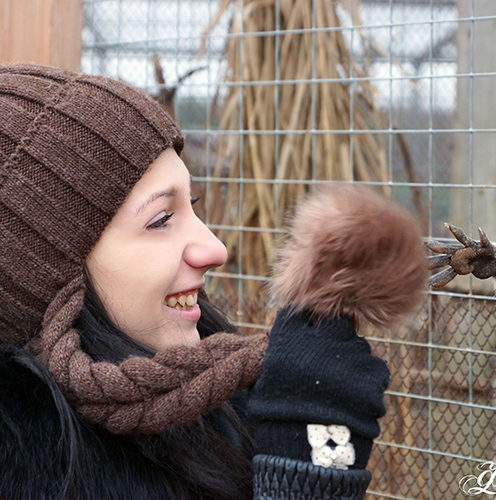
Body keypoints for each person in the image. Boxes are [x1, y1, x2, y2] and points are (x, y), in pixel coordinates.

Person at [0, 63, 391, 500]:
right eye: (161, 219)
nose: (215, 249)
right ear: (40, 275)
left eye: (194, 203)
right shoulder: (37, 468)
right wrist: (309, 479)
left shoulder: (216, 409)